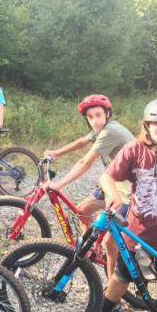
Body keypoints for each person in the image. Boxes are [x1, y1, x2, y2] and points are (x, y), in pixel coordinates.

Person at [43, 94, 134, 280]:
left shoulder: (111, 131)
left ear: (108, 114)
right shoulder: (101, 129)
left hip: (129, 191)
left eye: (98, 115)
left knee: (110, 242)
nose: (94, 120)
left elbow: (85, 162)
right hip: (112, 183)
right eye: (90, 117)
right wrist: (57, 153)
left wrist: (57, 185)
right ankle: (92, 247)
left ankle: (112, 293)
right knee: (83, 209)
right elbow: (83, 141)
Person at [98, 99, 157, 312]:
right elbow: (106, 177)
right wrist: (112, 193)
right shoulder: (135, 149)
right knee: (120, 278)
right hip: (138, 236)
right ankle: (106, 311)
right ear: (147, 126)